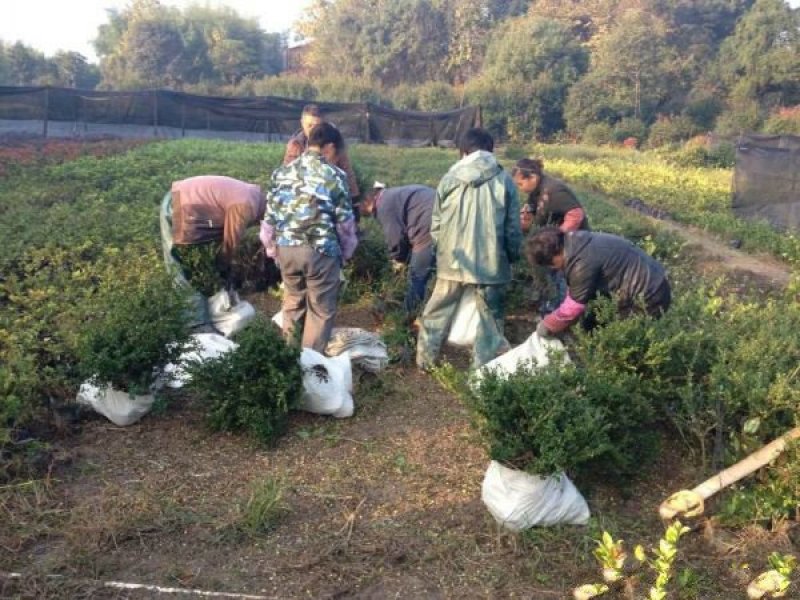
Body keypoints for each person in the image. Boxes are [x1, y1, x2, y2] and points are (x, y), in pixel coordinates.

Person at [416, 128, 522, 369]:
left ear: (463, 151)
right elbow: (512, 228)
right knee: (490, 319)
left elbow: (436, 224)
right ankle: (482, 369)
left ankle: (425, 361)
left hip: (453, 259)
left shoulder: (449, 178)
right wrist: (512, 256)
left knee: (437, 311)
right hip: (491, 262)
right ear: (491, 150)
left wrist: (442, 251)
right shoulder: (504, 180)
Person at [263, 122, 358, 352]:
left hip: (286, 249)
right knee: (320, 309)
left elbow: (269, 220)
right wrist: (345, 254)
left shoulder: (283, 171)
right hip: (320, 250)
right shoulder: (335, 175)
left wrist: (272, 250)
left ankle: (289, 360)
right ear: (330, 147)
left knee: (293, 301)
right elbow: (345, 225)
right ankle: (309, 367)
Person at [160, 175, 266, 329]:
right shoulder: (246, 206)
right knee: (187, 271)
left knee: (188, 269)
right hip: (183, 207)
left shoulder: (255, 195)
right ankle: (197, 329)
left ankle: (195, 321)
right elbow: (230, 242)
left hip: (180, 198)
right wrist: (224, 269)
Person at [527, 227, 671, 337]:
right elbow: (577, 292)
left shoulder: (581, 264)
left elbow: (573, 307)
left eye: (551, 264)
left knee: (618, 339)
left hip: (648, 297)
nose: (554, 268)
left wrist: (548, 324)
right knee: (592, 325)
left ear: (556, 254)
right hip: (648, 282)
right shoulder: (577, 241)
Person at [360, 183, 435, 315]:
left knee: (417, 276)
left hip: (427, 226)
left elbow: (395, 238)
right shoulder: (391, 195)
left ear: (366, 201)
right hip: (439, 216)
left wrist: (397, 260)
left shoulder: (383, 205)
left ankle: (407, 318)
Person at [283, 104, 361, 213]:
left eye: (317, 126)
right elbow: (287, 173)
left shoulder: (334, 143)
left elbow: (347, 171)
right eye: (309, 125)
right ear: (302, 123)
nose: (313, 130)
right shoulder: (295, 144)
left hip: (329, 195)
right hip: (301, 197)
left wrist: (355, 201)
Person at [512, 158, 589, 234]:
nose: (519, 188)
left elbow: (576, 214)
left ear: (533, 178)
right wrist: (524, 217)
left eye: (520, 184)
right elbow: (531, 209)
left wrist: (558, 236)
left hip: (577, 240)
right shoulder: (535, 189)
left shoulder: (554, 190)